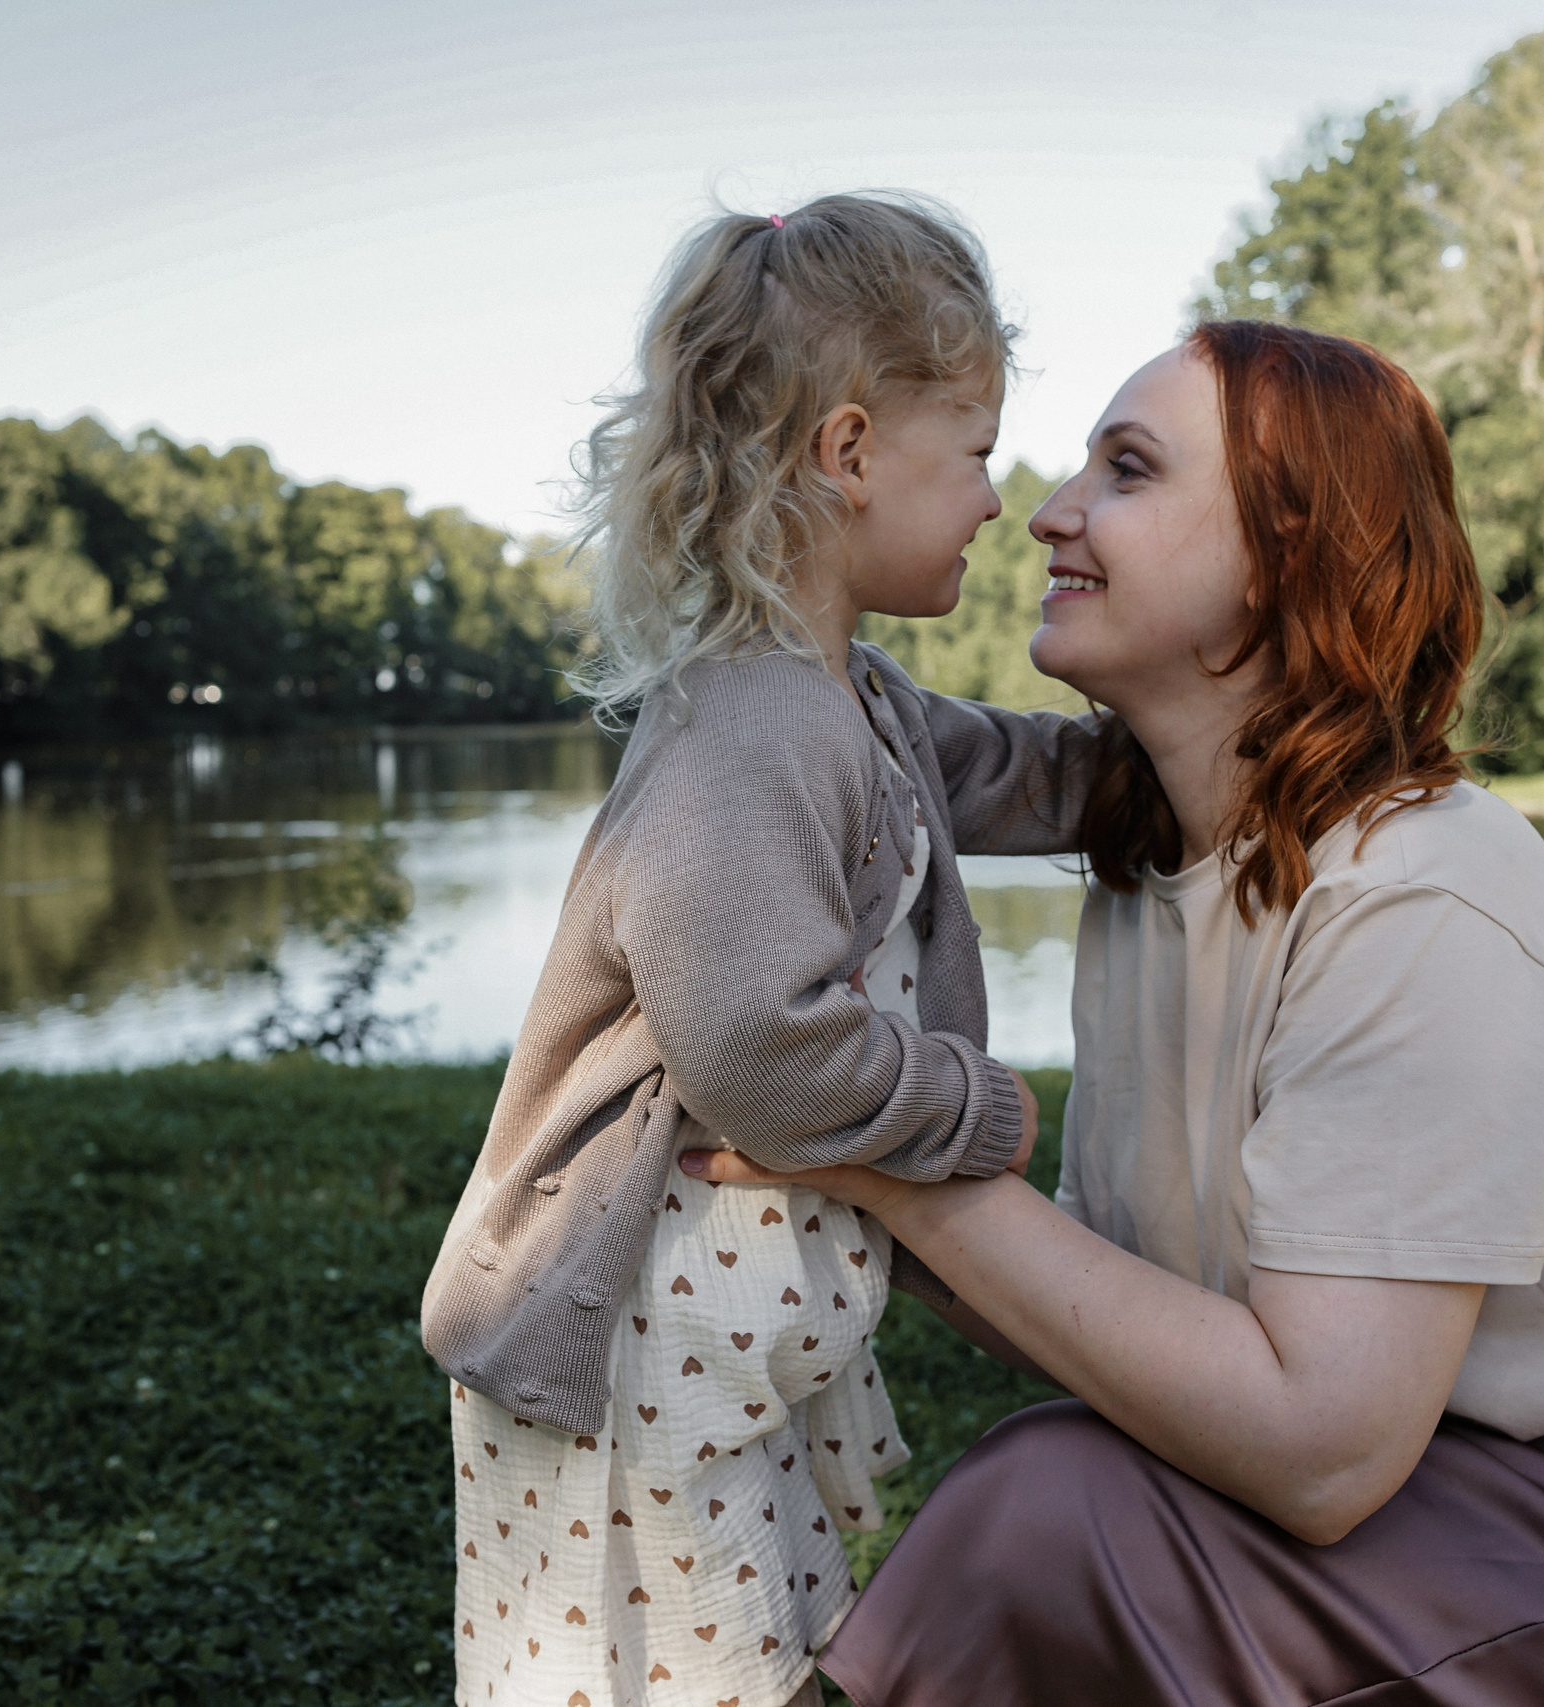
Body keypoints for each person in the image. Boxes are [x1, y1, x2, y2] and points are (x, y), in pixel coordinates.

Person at [682, 320, 1544, 1705]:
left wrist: (887, 1163)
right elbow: (1147, 1331)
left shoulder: (1424, 886)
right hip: (1473, 1507)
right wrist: (844, 1162)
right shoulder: (1162, 860)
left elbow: (1321, 1451)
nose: (1048, 513)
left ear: (1289, 554)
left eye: (1127, 471)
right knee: (1083, 1475)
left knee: (1056, 1504)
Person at [419, 193, 1100, 1707]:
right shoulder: (754, 720)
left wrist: (1221, 738)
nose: (1004, 499)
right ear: (850, 454)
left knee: (770, 1667)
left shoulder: (850, 693)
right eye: (978, 451)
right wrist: (983, 1116)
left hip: (722, 1354)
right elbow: (756, 1048)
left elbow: (1037, 775)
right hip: (636, 1357)